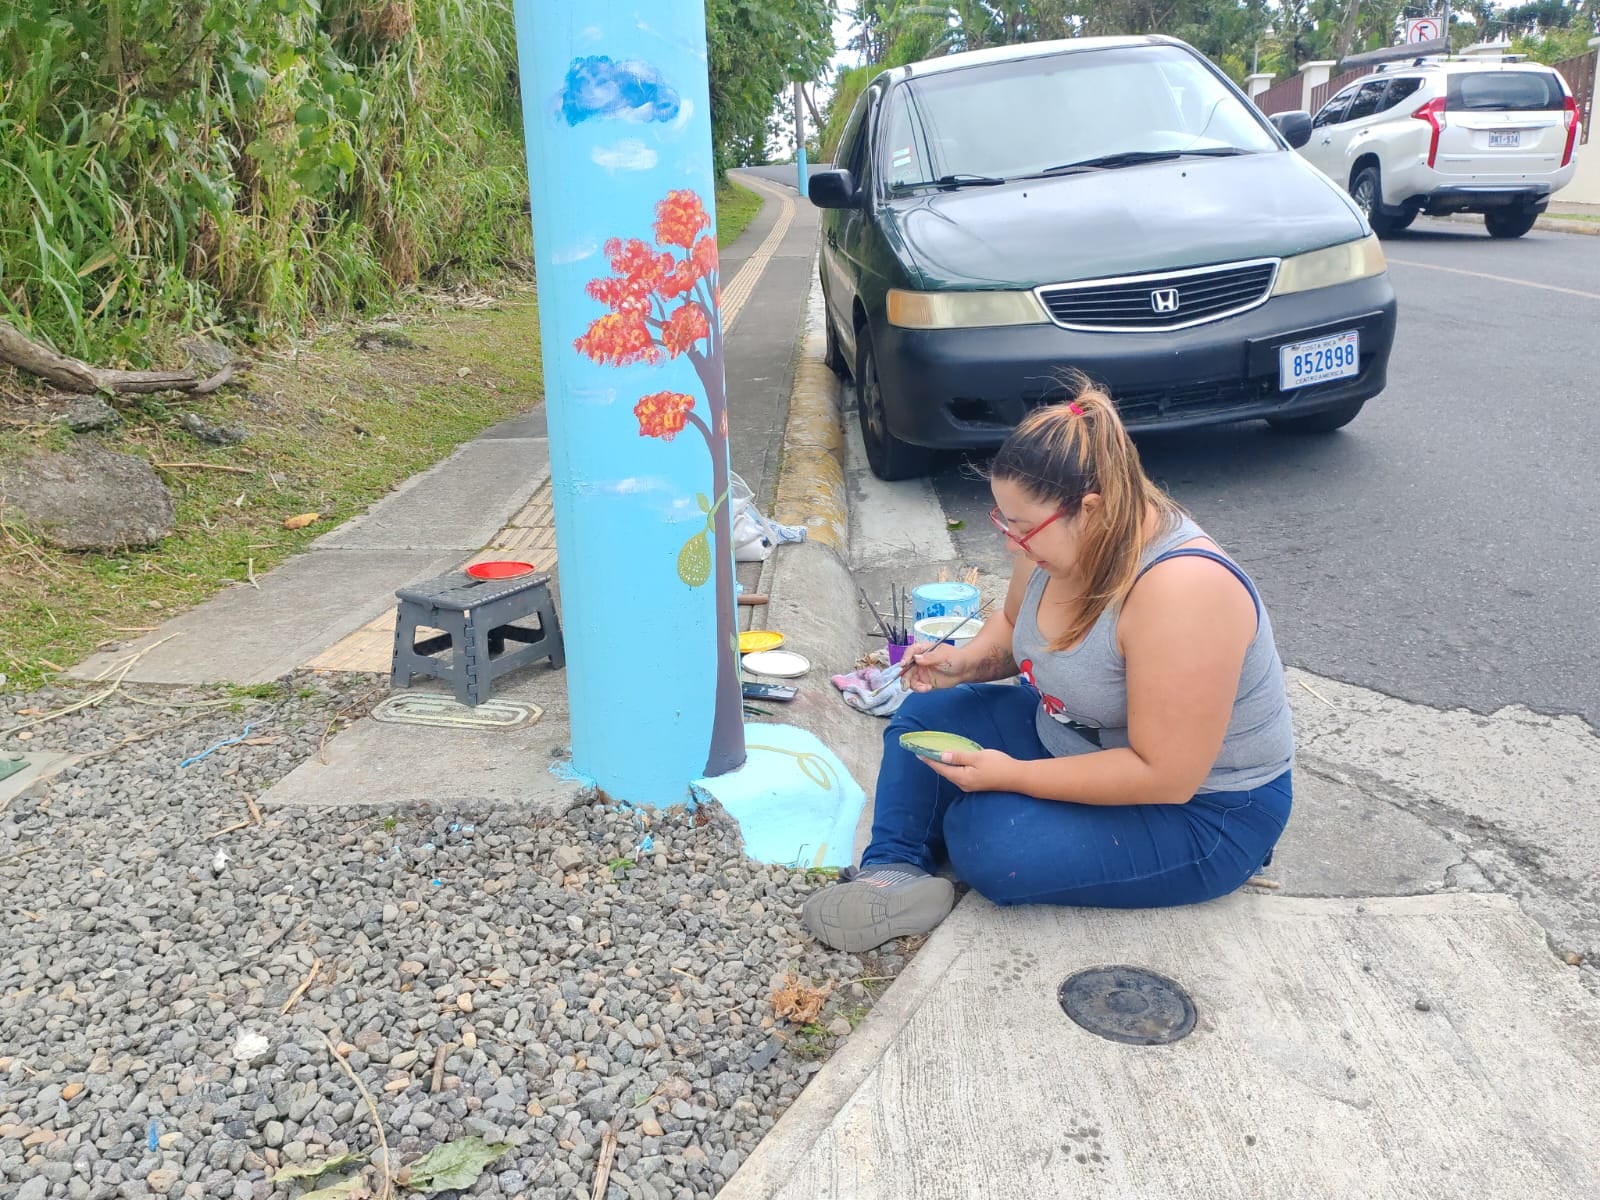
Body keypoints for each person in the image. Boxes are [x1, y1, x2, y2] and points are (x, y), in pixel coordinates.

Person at [802, 382, 1294, 953]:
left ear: (1091, 510)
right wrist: (960, 664)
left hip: (1204, 812)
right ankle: (891, 874)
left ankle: (958, 823)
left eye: (1022, 528)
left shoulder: (1182, 591)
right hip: (1075, 736)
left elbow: (1166, 775)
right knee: (925, 714)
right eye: (1002, 521)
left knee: (987, 840)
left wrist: (1009, 774)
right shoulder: (1055, 545)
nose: (1011, 543)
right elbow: (1015, 630)